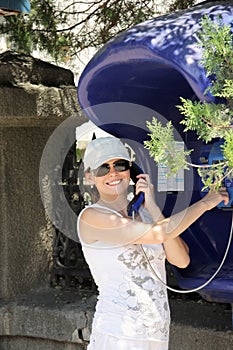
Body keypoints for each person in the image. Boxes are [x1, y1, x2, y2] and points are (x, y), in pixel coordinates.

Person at [77, 136, 229, 350]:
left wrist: (153, 208)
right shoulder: (92, 218)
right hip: (119, 333)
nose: (113, 173)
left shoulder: (145, 216)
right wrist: (205, 203)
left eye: (120, 165)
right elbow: (159, 234)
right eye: (103, 168)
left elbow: (181, 259)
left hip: (156, 334)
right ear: (90, 177)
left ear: (131, 170)